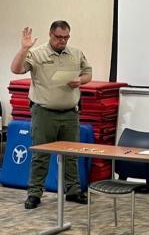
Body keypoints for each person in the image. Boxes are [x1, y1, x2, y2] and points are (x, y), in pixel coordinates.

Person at [10, 20, 92, 209]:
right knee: (41, 154)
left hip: (70, 113)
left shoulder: (76, 53)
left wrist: (81, 80)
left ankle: (73, 191)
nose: (62, 41)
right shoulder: (37, 53)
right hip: (44, 112)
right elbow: (16, 69)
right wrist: (24, 49)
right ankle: (34, 193)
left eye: (66, 37)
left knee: (71, 155)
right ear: (50, 34)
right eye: (58, 37)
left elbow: (88, 73)